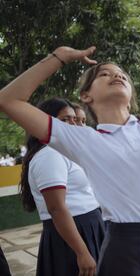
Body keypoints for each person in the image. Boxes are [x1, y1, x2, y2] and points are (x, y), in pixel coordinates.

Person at [0, 46, 140, 276]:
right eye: (104, 73)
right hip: (128, 252)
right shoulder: (84, 139)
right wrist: (59, 57)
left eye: (122, 74)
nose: (117, 75)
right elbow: (9, 100)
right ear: (86, 96)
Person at [19, 97, 104, 276]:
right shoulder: (49, 155)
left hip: (88, 226)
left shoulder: (65, 152)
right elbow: (57, 208)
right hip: (73, 234)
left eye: (74, 119)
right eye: (64, 119)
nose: (72, 124)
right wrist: (82, 253)